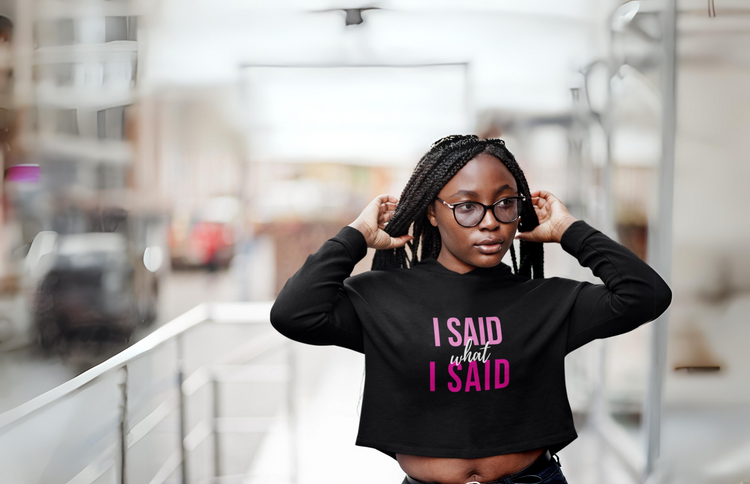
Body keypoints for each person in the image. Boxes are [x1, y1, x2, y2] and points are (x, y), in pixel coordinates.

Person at [270, 134, 672, 484]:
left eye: (505, 205)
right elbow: (294, 313)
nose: (490, 222)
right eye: (467, 207)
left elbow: (646, 294)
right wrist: (356, 236)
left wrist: (570, 231)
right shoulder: (382, 296)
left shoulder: (547, 300)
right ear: (432, 211)